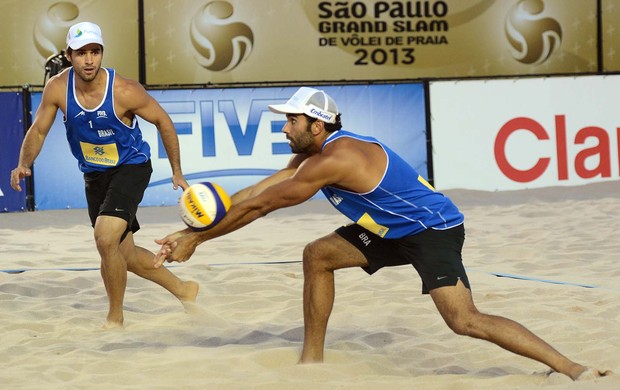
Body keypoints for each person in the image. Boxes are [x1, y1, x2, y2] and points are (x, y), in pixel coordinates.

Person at [153, 87, 607, 380]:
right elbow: (255, 190)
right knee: (319, 255)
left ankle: (570, 368)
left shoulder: (334, 159)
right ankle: (312, 364)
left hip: (432, 230)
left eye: (291, 120)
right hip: (389, 228)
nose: (284, 126)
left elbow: (262, 206)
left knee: (463, 321)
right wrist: (188, 228)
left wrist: (199, 239)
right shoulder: (310, 157)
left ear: (317, 125)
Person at [10, 21, 198, 328]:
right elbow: (39, 129)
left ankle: (115, 318)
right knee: (125, 254)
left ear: (102, 54)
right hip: (95, 175)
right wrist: (24, 163)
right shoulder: (58, 87)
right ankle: (184, 289)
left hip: (131, 167)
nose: (89, 59)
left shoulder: (124, 90)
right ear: (68, 55)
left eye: (95, 52)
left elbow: (163, 121)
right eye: (81, 52)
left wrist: (177, 171)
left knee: (104, 236)